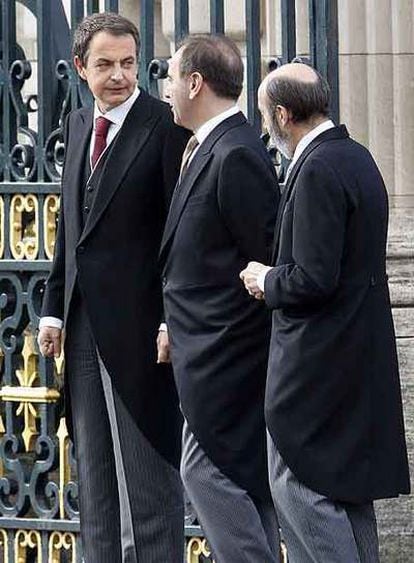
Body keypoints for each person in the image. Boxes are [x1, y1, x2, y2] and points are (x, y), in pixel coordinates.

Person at [240, 63, 410, 562]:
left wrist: (264, 279)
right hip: (353, 354)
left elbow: (313, 277)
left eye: (267, 117)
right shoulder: (355, 155)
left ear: (283, 114)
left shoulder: (316, 167)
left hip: (317, 363)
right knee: (346, 493)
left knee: (299, 485)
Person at [37, 12, 189, 563]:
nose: (120, 75)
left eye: (128, 62)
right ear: (81, 68)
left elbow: (177, 237)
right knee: (96, 490)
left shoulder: (165, 125)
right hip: (80, 330)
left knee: (149, 490)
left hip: (142, 335)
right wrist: (53, 311)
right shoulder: (78, 124)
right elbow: (70, 233)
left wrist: (172, 320)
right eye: (105, 65)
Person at [157, 34, 281, 562]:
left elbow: (261, 261)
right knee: (243, 479)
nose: (163, 87)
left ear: (194, 82)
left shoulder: (236, 153)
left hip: (227, 355)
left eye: (170, 76)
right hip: (200, 348)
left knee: (203, 470)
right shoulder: (208, 145)